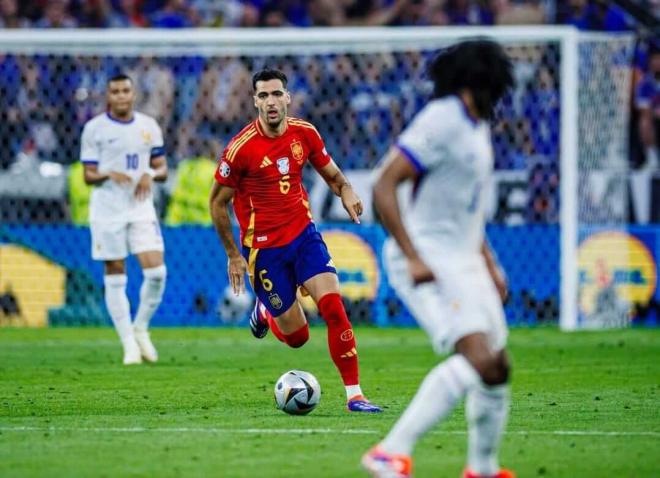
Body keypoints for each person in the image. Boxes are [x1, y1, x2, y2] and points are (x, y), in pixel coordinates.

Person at [362, 40, 516, 477]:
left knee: (497, 365)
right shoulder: (442, 119)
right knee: (477, 358)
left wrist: (487, 260)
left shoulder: (477, 126)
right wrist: (412, 255)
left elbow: (467, 204)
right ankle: (390, 452)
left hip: (464, 256)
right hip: (428, 254)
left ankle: (482, 469)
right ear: (481, 81)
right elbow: (383, 185)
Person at [209, 68, 381, 413]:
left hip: (304, 236)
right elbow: (217, 203)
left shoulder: (305, 134)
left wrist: (346, 191)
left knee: (333, 307)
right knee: (297, 338)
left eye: (276, 94)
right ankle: (266, 310)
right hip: (264, 251)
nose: (271, 102)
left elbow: (333, 175)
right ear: (254, 101)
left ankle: (355, 395)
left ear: (288, 97)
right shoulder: (240, 149)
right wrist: (233, 255)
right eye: (263, 96)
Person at [80, 73, 168, 365]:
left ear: (133, 94)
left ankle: (141, 327)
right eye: (115, 91)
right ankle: (128, 343)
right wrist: (107, 173)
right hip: (107, 209)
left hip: (140, 207)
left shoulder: (149, 126)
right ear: (108, 96)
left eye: (125, 90)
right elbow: (88, 175)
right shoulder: (94, 129)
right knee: (116, 274)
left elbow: (162, 168)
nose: (120, 95)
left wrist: (149, 173)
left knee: (156, 272)